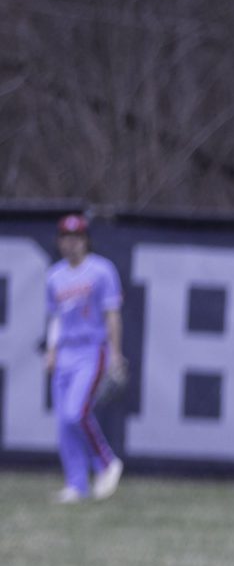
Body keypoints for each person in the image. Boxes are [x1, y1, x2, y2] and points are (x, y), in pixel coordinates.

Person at [44, 212, 126, 504]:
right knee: (64, 423)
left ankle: (106, 462)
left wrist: (115, 353)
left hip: (92, 349)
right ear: (59, 241)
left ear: (85, 240)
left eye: (76, 237)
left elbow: (112, 315)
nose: (71, 244)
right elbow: (55, 318)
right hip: (65, 351)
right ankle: (76, 484)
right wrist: (51, 351)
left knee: (76, 412)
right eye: (66, 238)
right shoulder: (54, 276)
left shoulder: (101, 270)